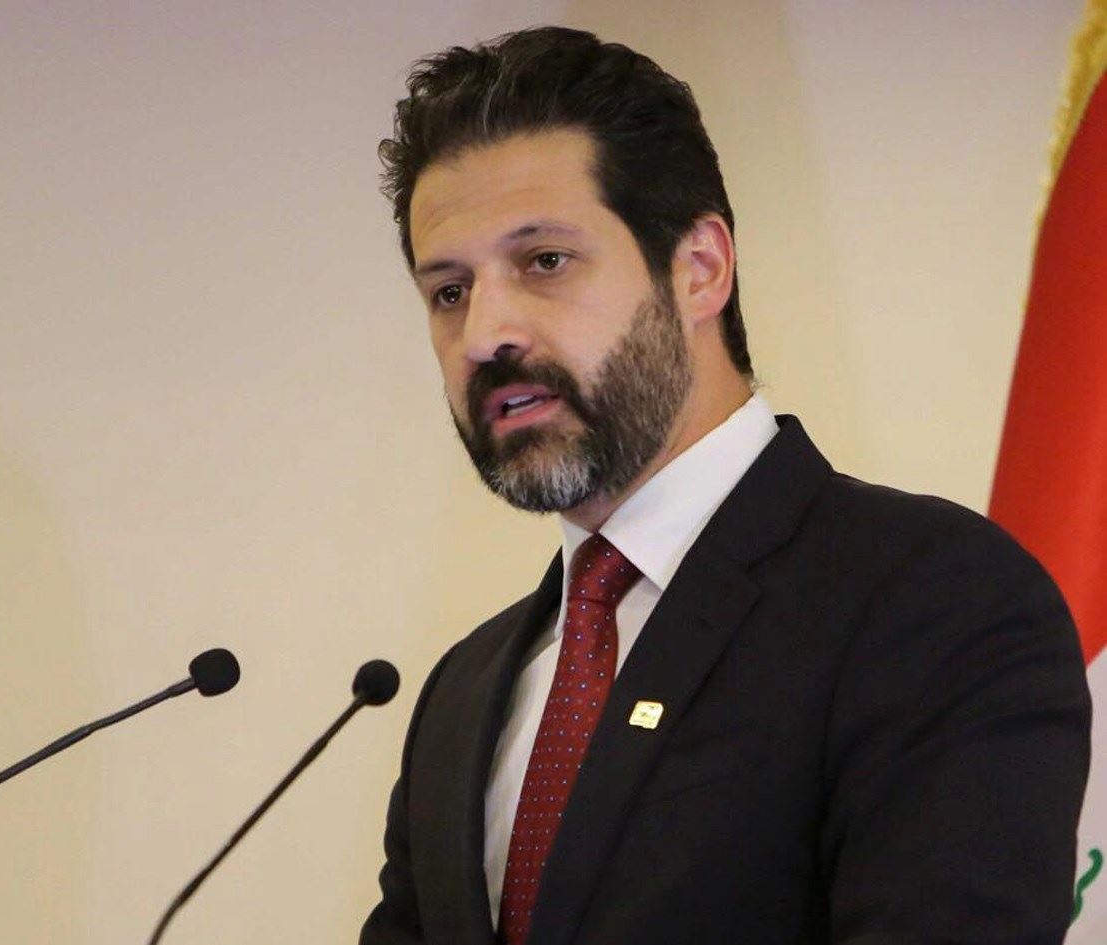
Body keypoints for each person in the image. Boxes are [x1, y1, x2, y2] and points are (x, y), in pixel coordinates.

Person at [360, 26, 1091, 945]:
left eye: (544, 261)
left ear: (700, 269)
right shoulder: (461, 695)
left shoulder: (931, 599)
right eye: (449, 291)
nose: (484, 334)